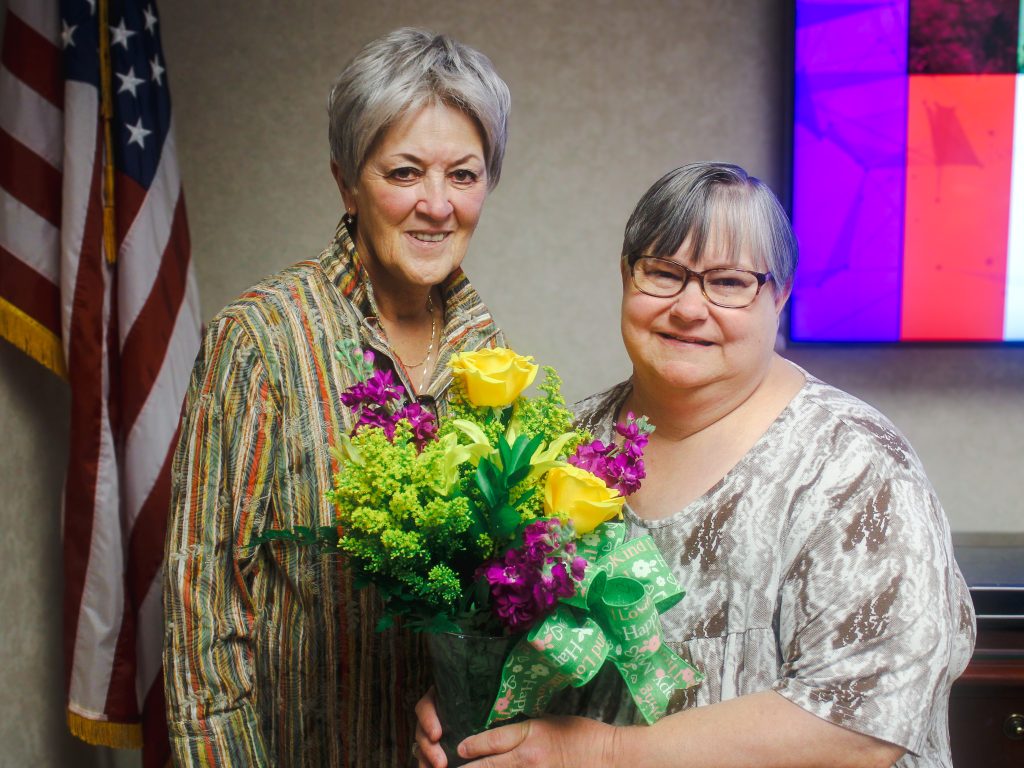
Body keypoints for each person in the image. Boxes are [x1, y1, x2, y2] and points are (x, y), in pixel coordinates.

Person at [413, 163, 975, 768]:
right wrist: (472, 696)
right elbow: (522, 632)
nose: (688, 307)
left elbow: (863, 727)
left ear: (780, 295)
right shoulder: (566, 445)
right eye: (663, 273)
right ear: (626, 275)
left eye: (729, 282)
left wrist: (604, 755)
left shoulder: (854, 465)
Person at [164, 28, 511, 767]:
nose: (437, 205)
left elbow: (495, 598)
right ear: (346, 183)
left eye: (464, 175)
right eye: (405, 172)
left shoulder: (490, 356)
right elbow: (203, 613)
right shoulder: (260, 338)